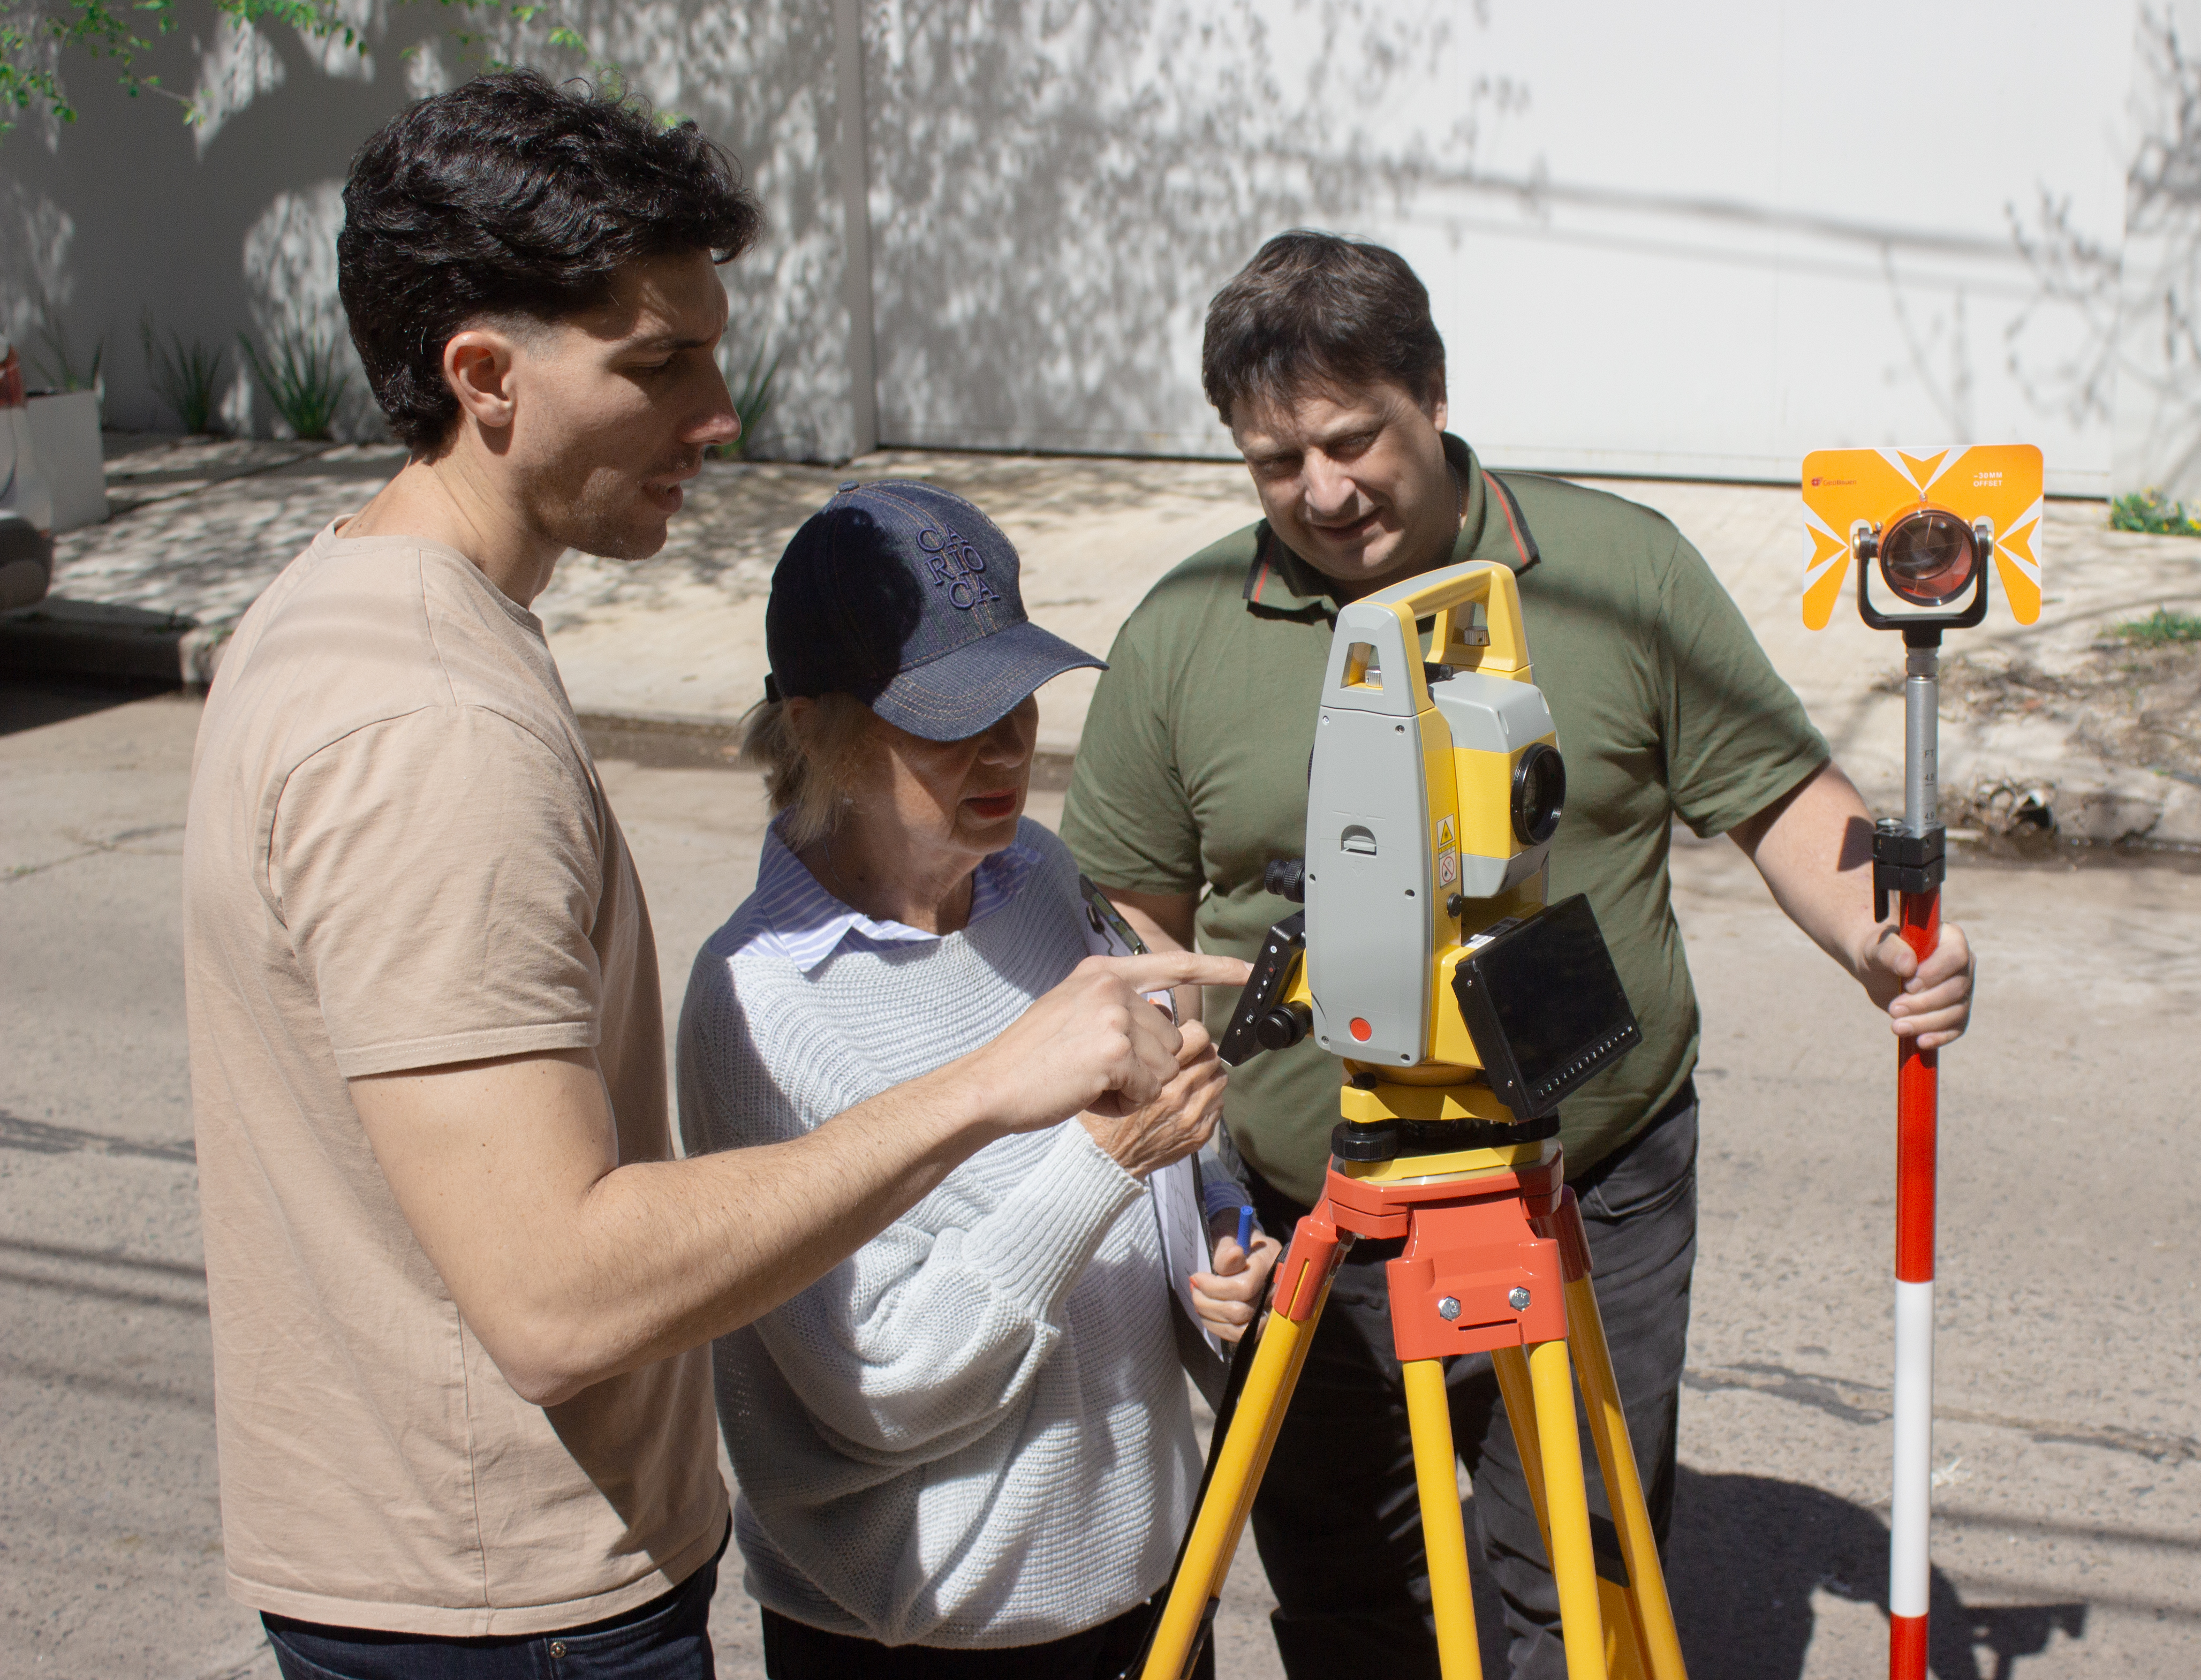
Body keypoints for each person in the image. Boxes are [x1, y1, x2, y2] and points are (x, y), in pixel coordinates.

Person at [182, 74, 1240, 1679]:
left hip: (482, 1578)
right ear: (484, 376)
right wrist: (1001, 1096)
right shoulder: (431, 724)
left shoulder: (369, 624)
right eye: (657, 362)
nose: (720, 412)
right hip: (507, 1605)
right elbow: (555, 1298)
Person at [1058, 230, 1979, 1678]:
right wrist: (1189, 1182)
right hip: (1316, 1205)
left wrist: (1881, 936)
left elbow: (1780, 795)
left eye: (1351, 440)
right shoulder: (1183, 630)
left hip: (1587, 1181)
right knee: (1351, 1589)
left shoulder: (1619, 572)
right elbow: (1130, 920)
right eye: (1273, 463)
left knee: (1577, 1579)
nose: (1321, 492)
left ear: (1431, 394)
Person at [677, 480, 1284, 1679]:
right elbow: (881, 1386)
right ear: (812, 726)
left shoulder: (1038, 875)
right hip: (928, 1636)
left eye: (1018, 697)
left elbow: (1150, 1155)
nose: (1007, 746)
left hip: (1150, 1591)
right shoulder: (759, 1001)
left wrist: (1215, 1240)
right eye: (949, 720)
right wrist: (1104, 1161)